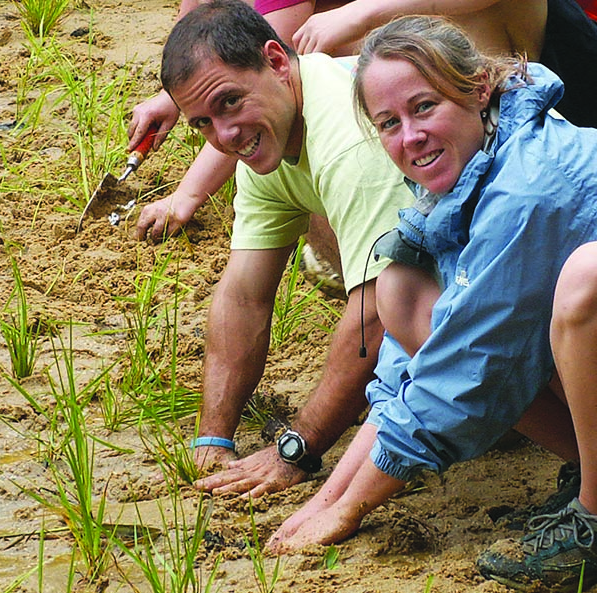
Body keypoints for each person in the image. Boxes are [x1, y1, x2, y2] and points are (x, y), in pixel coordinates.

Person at [265, 16, 597, 593]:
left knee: (591, 277)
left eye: (424, 107)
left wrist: (354, 508)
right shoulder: (457, 178)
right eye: (389, 123)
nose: (410, 136)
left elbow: (466, 368)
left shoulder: (531, 178)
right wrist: (331, 496)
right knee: (402, 291)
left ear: (479, 89)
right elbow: (424, 358)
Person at [130, 0, 597, 243]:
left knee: (366, 35)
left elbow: (260, 73)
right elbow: (253, 76)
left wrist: (365, 13)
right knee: (332, 59)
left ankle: (487, 193)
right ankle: (404, 229)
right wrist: (173, 110)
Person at [157, 0, 410, 496]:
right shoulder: (263, 140)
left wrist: (297, 447)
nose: (224, 136)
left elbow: (381, 313)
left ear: (276, 61)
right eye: (202, 123)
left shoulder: (348, 138)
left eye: (229, 102)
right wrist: (213, 437)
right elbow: (244, 295)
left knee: (406, 304)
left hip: (563, 251)